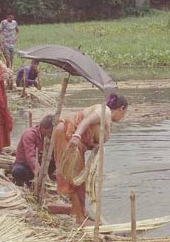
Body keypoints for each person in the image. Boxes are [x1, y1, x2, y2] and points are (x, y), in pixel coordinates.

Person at [52, 93, 128, 224]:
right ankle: (80, 218)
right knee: (77, 181)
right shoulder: (105, 111)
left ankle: (77, 212)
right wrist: (76, 136)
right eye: (125, 112)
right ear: (121, 108)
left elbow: (91, 133)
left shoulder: (106, 117)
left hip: (69, 138)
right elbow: (86, 121)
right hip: (69, 137)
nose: (123, 116)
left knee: (78, 179)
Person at [12, 114, 55, 187]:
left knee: (55, 163)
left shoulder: (49, 137)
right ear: (43, 128)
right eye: (50, 132)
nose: (51, 135)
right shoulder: (29, 134)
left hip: (41, 164)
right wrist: (40, 172)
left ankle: (39, 179)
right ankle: (27, 182)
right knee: (18, 172)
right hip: (26, 165)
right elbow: (31, 157)